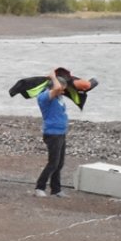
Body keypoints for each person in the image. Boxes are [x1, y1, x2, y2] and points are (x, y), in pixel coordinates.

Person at [35, 67, 72, 198]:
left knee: (59, 163)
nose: (63, 90)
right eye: (62, 88)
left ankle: (56, 189)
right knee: (53, 163)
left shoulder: (58, 98)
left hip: (61, 132)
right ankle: (40, 187)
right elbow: (56, 88)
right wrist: (53, 77)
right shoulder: (45, 97)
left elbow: (59, 89)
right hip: (52, 133)